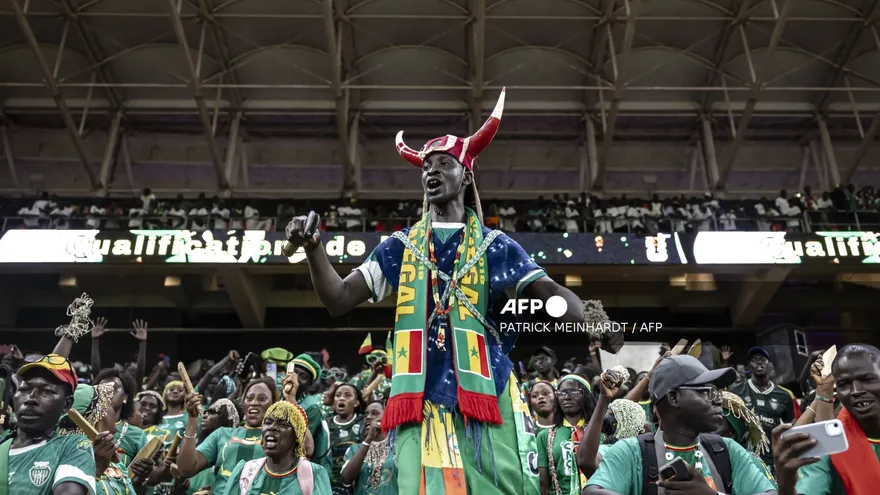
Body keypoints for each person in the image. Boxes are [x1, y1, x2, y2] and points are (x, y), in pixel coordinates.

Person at [284, 88, 621, 495]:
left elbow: (548, 290)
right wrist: (314, 247)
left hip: (486, 393)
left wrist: (595, 319)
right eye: (427, 165)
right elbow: (338, 298)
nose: (433, 170)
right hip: (417, 398)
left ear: (467, 175)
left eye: (446, 163)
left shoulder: (494, 245)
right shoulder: (399, 246)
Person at [584, 355, 778, 495]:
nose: (718, 400)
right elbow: (592, 491)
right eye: (706, 392)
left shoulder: (727, 450)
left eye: (717, 392)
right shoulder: (631, 451)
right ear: (674, 398)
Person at [772, 344, 880, 495]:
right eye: (844, 384)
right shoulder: (827, 445)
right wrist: (786, 486)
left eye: (867, 379)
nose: (856, 391)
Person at [4, 354, 97, 495]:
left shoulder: (72, 447)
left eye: (46, 391)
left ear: (66, 404)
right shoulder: (2, 445)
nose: (30, 399)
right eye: (24, 389)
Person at [176, 377, 277, 493]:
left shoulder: (280, 436)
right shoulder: (222, 434)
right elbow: (186, 468)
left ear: (274, 404)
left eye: (262, 398)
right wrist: (192, 419)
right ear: (243, 403)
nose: (254, 402)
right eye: (249, 398)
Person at [58, 382, 155, 495]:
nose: (114, 412)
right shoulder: (68, 460)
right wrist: (96, 470)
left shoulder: (114, 461)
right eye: (110, 405)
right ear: (99, 414)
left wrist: (139, 481)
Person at [222, 401, 332, 495]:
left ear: (297, 436)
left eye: (283, 424)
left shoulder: (314, 474)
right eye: (268, 422)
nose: (272, 427)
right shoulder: (244, 471)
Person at [730, 347, 796, 468]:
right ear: (749, 366)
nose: (759, 362)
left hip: (772, 458)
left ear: (770, 365)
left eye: (763, 359)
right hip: (743, 456)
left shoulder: (784, 395)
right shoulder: (736, 391)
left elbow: (790, 427)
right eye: (755, 360)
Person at [537, 374, 596, 495]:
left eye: (573, 391)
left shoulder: (599, 432)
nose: (567, 397)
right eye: (562, 393)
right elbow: (543, 484)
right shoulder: (544, 436)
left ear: (585, 396)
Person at [94, 369, 147, 469]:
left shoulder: (137, 435)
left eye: (113, 388)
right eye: (101, 387)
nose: (106, 390)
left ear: (125, 398)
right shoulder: (81, 425)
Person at [340, 401, 397, 495]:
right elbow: (346, 480)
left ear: (387, 416)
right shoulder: (354, 449)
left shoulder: (398, 447)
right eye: (366, 414)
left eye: (375, 413)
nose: (368, 417)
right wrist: (369, 439)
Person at [327, 384, 364, 493]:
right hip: (327, 485)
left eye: (348, 395)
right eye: (338, 395)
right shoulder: (324, 423)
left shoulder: (363, 423)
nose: (342, 398)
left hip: (353, 485)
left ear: (356, 402)